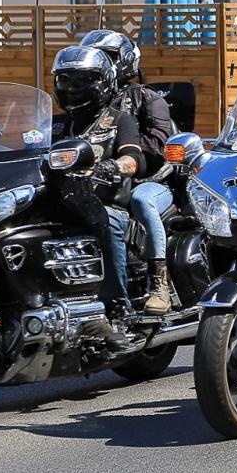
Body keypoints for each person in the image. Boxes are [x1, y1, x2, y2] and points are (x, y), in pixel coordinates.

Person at [79, 29, 178, 315]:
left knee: (141, 202)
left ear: (125, 61)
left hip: (150, 180)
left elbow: (158, 146)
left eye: (107, 58)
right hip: (105, 180)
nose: (101, 64)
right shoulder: (90, 103)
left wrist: (117, 155)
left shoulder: (146, 98)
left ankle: (159, 282)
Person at [49, 46, 148, 319]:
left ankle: (117, 303)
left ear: (103, 82)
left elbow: (134, 159)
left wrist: (111, 166)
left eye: (80, 81)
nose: (71, 88)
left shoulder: (119, 121)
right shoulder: (52, 125)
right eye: (64, 80)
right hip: (59, 203)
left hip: (104, 202)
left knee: (108, 221)